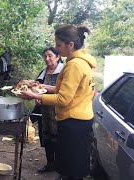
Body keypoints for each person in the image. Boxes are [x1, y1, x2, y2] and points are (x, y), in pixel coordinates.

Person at [19, 25, 96, 180]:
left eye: (59, 45)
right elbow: (65, 90)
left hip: (73, 122)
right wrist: (40, 87)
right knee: (73, 165)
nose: (56, 48)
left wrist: (35, 96)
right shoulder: (83, 62)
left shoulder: (74, 65)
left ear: (71, 45)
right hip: (81, 119)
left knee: (72, 168)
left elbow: (63, 98)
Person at [35, 47, 64, 173]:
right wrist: (36, 96)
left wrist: (40, 92)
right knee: (46, 137)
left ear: (58, 57)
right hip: (45, 111)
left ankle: (60, 166)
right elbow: (37, 87)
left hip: (59, 110)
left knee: (60, 139)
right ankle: (50, 163)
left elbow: (62, 90)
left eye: (50, 56)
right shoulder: (44, 72)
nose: (47, 59)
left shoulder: (64, 71)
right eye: (45, 56)